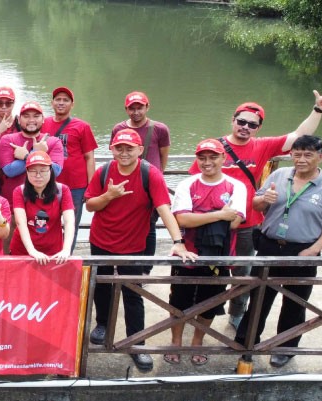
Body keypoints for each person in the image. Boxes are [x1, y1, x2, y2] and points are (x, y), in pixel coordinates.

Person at [194, 92, 322, 330]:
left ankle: (237, 313)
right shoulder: (213, 148)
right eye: (242, 121)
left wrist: (317, 110)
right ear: (233, 120)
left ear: (258, 128)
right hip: (211, 224)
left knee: (244, 273)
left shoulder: (261, 146)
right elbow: (193, 182)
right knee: (204, 269)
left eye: (252, 124)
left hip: (247, 225)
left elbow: (298, 137)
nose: (245, 127)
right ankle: (195, 311)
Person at [85, 128, 196, 372]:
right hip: (101, 240)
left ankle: (137, 343)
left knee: (132, 293)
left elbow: (164, 208)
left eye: (129, 148)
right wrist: (109, 196)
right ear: (112, 149)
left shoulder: (150, 174)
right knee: (102, 286)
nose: (124, 153)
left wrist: (178, 241)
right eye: (119, 148)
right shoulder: (104, 171)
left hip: (133, 245)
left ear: (140, 150)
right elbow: (91, 204)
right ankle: (102, 324)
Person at [235, 135, 322, 369]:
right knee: (259, 296)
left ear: (320, 157)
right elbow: (256, 203)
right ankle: (246, 341)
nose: (301, 159)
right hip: (269, 246)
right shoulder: (278, 175)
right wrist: (264, 199)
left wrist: (314, 250)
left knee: (295, 301)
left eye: (308, 155)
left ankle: (285, 347)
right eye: (297, 154)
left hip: (303, 251)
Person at [167, 139, 247, 366]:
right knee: (178, 299)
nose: (207, 162)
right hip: (187, 252)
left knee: (210, 301)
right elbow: (182, 218)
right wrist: (219, 215)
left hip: (219, 254)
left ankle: (197, 341)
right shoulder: (187, 184)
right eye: (202, 158)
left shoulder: (235, 186)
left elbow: (234, 222)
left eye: (213, 157)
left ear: (223, 158)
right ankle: (175, 341)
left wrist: (200, 217)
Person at [112, 91, 172, 275]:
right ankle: (123, 264)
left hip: (149, 184)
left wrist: (156, 178)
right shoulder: (118, 129)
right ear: (126, 109)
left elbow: (163, 156)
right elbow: (115, 155)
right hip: (125, 183)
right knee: (124, 224)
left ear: (147, 107)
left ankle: (146, 267)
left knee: (149, 226)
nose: (136, 112)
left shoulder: (160, 129)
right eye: (132, 108)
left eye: (140, 108)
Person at [42, 87, 97, 234]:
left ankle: (68, 255)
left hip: (76, 185)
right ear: (52, 103)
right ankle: (50, 255)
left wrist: (91, 186)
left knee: (71, 225)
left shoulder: (82, 126)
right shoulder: (43, 124)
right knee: (45, 222)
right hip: (47, 183)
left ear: (72, 104)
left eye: (65, 100)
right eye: (58, 100)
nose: (61, 103)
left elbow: (89, 157)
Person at [10, 152, 75, 264]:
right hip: (23, 249)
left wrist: (66, 249)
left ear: (50, 171)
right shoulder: (19, 191)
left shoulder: (62, 190)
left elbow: (69, 221)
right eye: (33, 171)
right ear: (26, 172)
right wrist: (32, 251)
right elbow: (21, 223)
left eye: (43, 171)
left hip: (53, 251)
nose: (38, 176)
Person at [0, 101, 64, 207]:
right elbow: (9, 171)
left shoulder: (54, 142)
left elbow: (55, 171)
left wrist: (27, 156)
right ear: (19, 120)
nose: (31, 120)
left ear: (43, 119)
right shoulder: (7, 140)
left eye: (36, 116)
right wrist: (38, 154)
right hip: (12, 202)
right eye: (26, 116)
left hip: (44, 203)